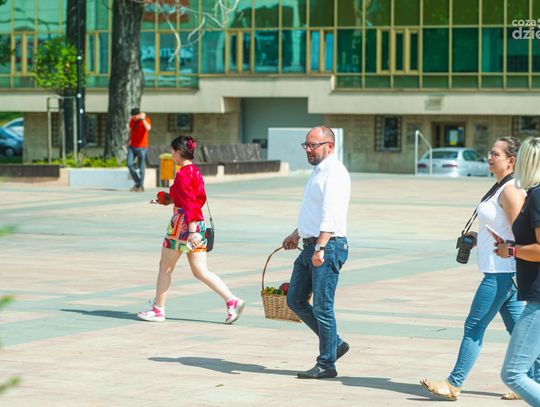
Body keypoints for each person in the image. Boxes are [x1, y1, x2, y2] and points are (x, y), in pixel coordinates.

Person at [420, 137, 528, 401]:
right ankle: (531, 382)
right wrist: (480, 238)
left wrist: (510, 252)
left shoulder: (510, 190)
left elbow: (522, 233)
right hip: (504, 272)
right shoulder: (499, 186)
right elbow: (502, 229)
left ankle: (453, 384)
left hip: (501, 273)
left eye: (496, 154)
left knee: (473, 327)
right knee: (519, 332)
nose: (489, 157)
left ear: (511, 160)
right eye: (490, 152)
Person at [137, 135, 245, 324]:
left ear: (179, 152)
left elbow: (189, 203)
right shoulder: (194, 172)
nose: (171, 154)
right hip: (196, 224)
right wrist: (165, 200)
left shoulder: (183, 174)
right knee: (201, 271)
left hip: (183, 226)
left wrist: (192, 231)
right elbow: (190, 198)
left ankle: (158, 310)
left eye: (172, 151)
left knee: (165, 267)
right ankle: (232, 301)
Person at [282, 125, 351, 379]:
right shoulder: (318, 172)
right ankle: (335, 344)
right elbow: (314, 211)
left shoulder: (335, 173)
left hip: (328, 246)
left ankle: (326, 364)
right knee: (295, 300)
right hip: (311, 244)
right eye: (306, 145)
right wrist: (297, 233)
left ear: (329, 146)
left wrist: (320, 247)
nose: (308, 150)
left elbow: (330, 215)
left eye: (313, 145)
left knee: (323, 306)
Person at [495, 136, 540, 406]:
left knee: (513, 373)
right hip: (533, 297)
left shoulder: (537, 196)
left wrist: (511, 250)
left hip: (538, 299)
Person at [127, 107, 152, 192]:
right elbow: (131, 131)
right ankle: (137, 183)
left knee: (141, 167)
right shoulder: (132, 120)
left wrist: (143, 119)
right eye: (132, 116)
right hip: (132, 146)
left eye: (135, 116)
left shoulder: (146, 119)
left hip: (142, 147)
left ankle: (140, 186)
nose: (133, 118)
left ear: (138, 115)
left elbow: (148, 128)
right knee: (129, 164)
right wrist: (128, 141)